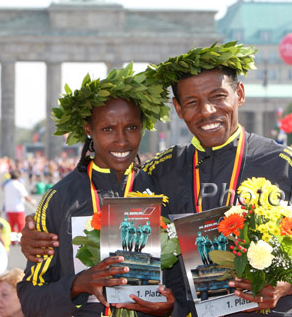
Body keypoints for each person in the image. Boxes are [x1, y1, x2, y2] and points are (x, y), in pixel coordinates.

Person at [21, 42, 292, 316]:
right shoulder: (162, 170)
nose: (207, 111)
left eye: (218, 97)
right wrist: (36, 236)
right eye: (193, 102)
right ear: (179, 110)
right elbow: (109, 197)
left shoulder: (286, 164)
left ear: (239, 94)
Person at [17, 65, 174, 316]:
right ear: (88, 130)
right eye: (108, 129)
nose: (121, 140)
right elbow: (30, 300)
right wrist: (78, 284)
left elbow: (184, 289)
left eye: (131, 127)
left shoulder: (162, 191)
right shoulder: (58, 199)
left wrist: (171, 308)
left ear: (143, 127)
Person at [2, 170, 36, 237]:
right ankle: (20, 240)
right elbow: (25, 196)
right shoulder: (19, 185)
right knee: (20, 225)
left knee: (12, 226)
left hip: (9, 208)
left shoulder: (7, 185)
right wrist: (32, 201)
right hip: (18, 208)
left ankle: (13, 241)